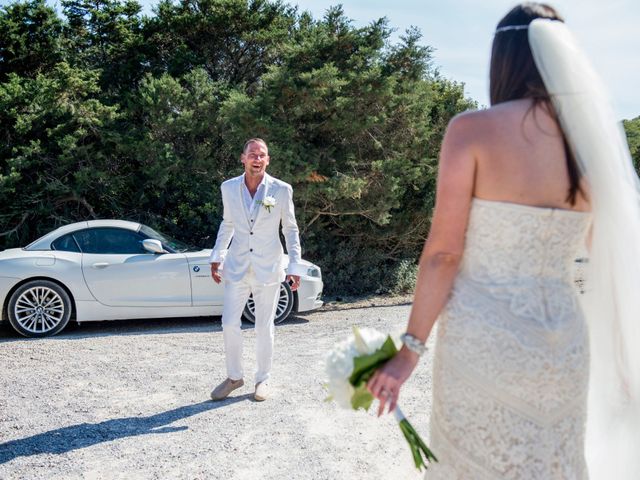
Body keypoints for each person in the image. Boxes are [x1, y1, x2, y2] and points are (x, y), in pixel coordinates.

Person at [367, 3, 640, 479]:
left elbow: (444, 253)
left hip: (484, 340)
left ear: (504, 60)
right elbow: (611, 259)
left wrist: (409, 350)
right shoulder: (589, 145)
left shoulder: (472, 131)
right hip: (564, 343)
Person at [209, 138, 304, 402]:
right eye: (253, 154)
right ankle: (234, 377)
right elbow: (227, 224)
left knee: (264, 326)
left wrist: (294, 265)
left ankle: (263, 379)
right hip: (237, 266)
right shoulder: (228, 188)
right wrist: (217, 256)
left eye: (262, 155)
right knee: (229, 323)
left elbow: (290, 229)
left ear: (268, 160)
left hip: (268, 268)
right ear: (243, 158)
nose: (257, 159)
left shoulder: (281, 190)